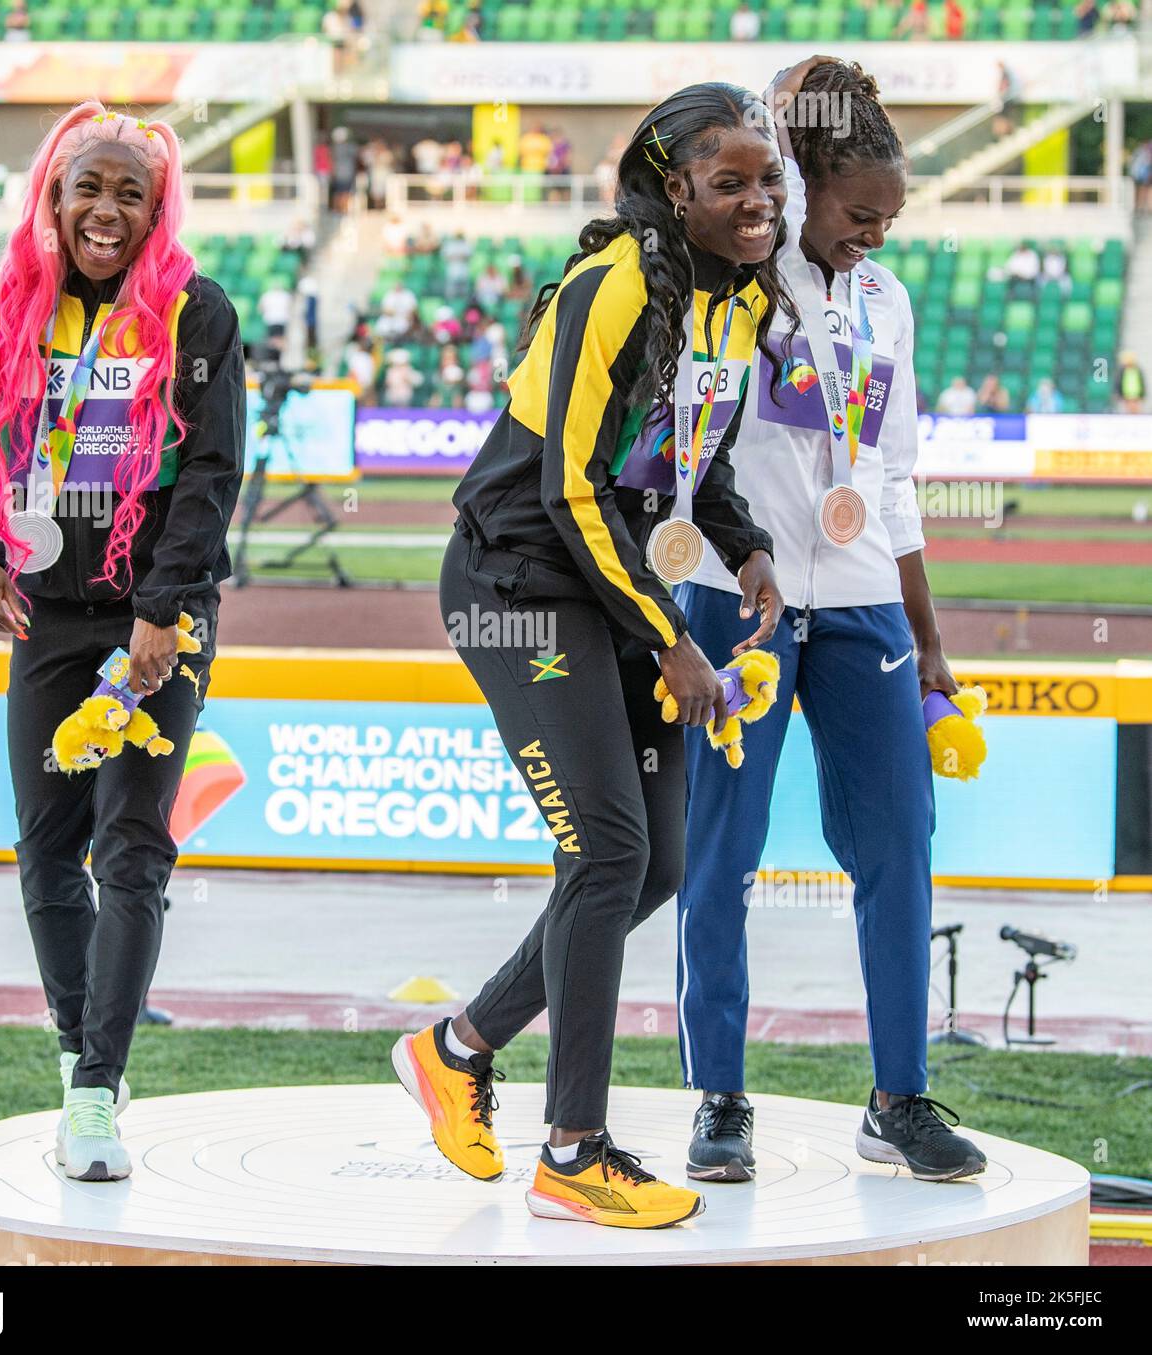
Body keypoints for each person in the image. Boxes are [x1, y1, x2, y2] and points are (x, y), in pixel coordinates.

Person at [393, 82, 788, 1229]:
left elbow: (688, 457)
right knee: (609, 846)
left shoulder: (735, 299)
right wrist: (671, 639)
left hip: (610, 586)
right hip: (518, 585)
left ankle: (453, 1047)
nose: (757, 198)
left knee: (649, 864)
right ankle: (573, 1147)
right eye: (729, 181)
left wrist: (747, 550)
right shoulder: (609, 285)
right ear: (675, 189)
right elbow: (568, 484)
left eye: (767, 179)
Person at [677, 58, 986, 1187]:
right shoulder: (731, 281)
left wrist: (931, 638)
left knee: (899, 844)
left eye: (892, 221)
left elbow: (894, 475)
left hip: (863, 600)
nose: (878, 239)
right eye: (860, 217)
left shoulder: (888, 303)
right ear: (804, 192)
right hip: (733, 593)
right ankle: (718, 1097)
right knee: (723, 850)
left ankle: (897, 1097)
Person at [0, 105, 245, 1182]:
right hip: (46, 618)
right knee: (44, 848)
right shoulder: (6, 306)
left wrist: (166, 612)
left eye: (131, 192)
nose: (106, 210)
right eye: (88, 188)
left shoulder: (195, 314)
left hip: (159, 616)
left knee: (131, 847)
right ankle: (81, 1051)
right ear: (53, 198)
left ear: (157, 211)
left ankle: (95, 1087)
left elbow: (212, 475)